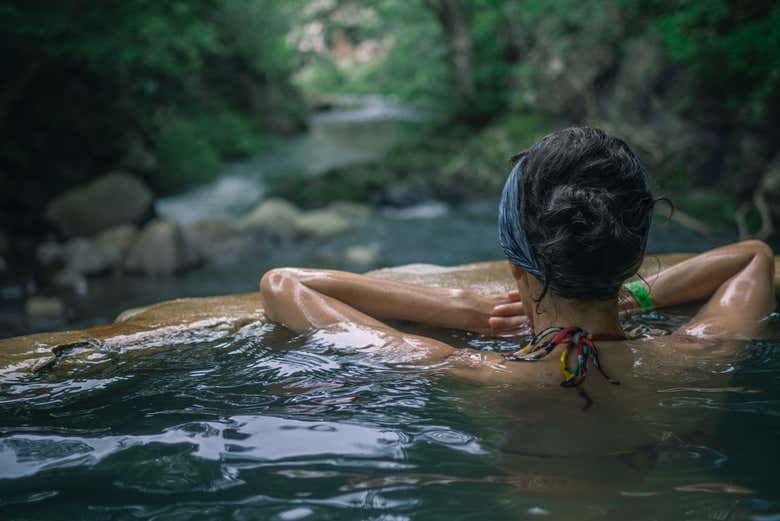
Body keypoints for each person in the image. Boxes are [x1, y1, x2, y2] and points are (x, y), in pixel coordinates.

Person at [259, 127, 775, 405]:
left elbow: (283, 285)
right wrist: (628, 295)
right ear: (632, 254)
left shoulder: (470, 373)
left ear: (516, 269)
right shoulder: (700, 354)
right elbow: (752, 255)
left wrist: (465, 310)